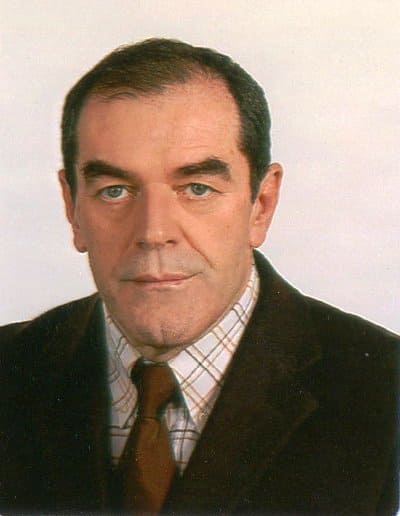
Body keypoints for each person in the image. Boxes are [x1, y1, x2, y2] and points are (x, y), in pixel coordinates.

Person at [0, 38, 398, 515]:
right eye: (115, 190)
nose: (154, 232)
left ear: (261, 205)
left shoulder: (384, 391)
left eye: (197, 188)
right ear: (72, 208)